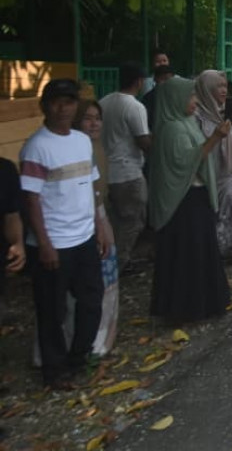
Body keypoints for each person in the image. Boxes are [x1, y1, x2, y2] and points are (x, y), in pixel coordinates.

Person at [20, 79, 109, 388]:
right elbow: (31, 199)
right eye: (57, 102)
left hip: (84, 237)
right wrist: (43, 243)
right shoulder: (36, 146)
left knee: (91, 301)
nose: (63, 108)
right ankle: (55, 372)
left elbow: (91, 186)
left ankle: (78, 358)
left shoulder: (81, 141)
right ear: (45, 106)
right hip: (54, 243)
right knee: (52, 311)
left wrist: (100, 225)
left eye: (69, 102)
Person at [149, 76, 232, 323]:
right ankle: (186, 309)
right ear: (175, 99)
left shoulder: (185, 122)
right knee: (188, 256)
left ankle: (204, 304)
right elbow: (187, 161)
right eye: (190, 96)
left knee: (200, 253)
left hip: (196, 196)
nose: (194, 101)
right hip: (183, 202)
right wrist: (216, 137)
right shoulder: (172, 128)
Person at [73, 101, 120, 355]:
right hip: (83, 221)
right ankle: (88, 341)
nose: (93, 124)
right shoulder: (77, 151)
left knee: (107, 281)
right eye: (87, 118)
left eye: (97, 118)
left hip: (100, 217)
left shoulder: (98, 148)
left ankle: (103, 337)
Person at [194, 70, 232, 260]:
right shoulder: (196, 116)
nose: (223, 90)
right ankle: (214, 253)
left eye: (225, 86)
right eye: (218, 86)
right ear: (207, 89)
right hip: (206, 174)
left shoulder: (228, 110)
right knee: (213, 215)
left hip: (227, 173)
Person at [98, 63, 151, 270]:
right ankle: (120, 262)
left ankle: (111, 257)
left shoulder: (104, 102)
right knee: (134, 220)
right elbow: (143, 141)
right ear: (139, 81)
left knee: (114, 220)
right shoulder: (134, 106)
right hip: (128, 172)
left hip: (106, 171)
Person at [142, 63, 175, 131]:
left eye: (169, 80)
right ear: (155, 79)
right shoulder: (148, 98)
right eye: (163, 79)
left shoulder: (176, 96)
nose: (166, 82)